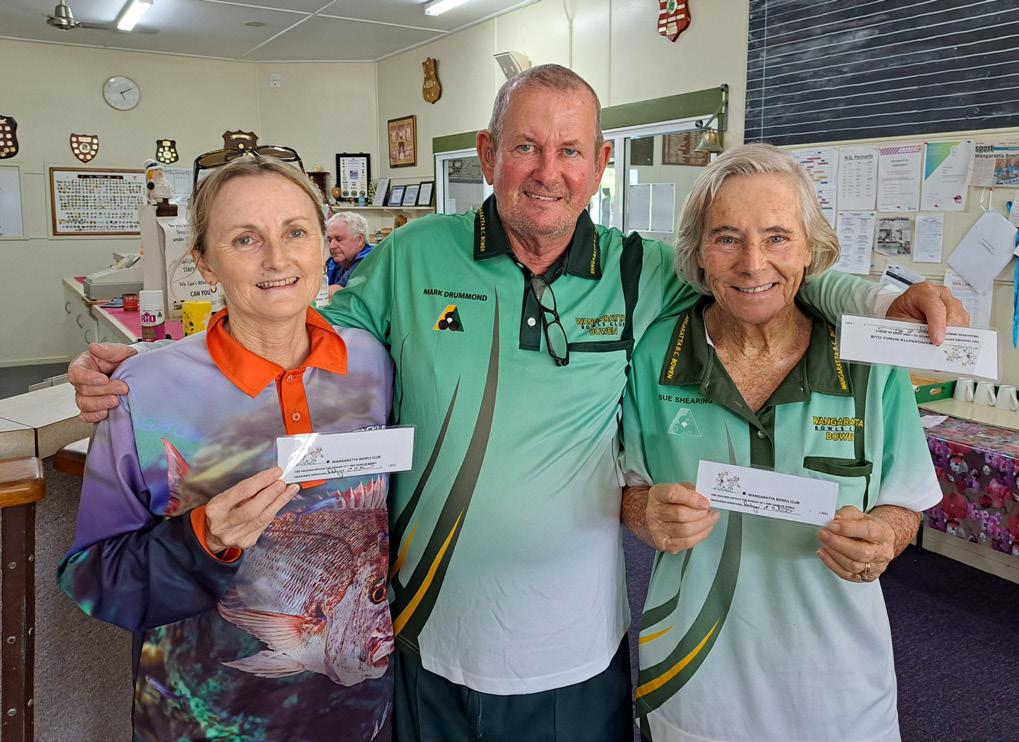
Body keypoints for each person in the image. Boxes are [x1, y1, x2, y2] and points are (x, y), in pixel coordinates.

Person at [69, 66, 965, 741]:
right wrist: (155, 365)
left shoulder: (640, 270)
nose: (548, 171)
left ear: (600, 164)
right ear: (488, 154)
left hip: (576, 647)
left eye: (571, 150)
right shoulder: (414, 256)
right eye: (526, 146)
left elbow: (762, 271)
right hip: (423, 638)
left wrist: (882, 302)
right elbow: (290, 326)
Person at [58, 157, 394, 741]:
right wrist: (201, 542)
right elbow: (92, 579)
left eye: (296, 232)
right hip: (199, 721)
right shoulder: (143, 390)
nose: (277, 259)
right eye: (245, 239)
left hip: (360, 716)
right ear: (204, 262)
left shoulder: (372, 362)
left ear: (323, 245)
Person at [620, 143, 942, 742]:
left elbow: (905, 501)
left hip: (839, 689)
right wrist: (646, 514)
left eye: (777, 237)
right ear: (697, 254)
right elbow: (627, 487)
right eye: (727, 238)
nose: (752, 263)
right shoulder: (650, 356)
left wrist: (885, 538)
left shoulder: (869, 362)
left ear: (810, 250)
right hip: (692, 680)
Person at [326, 211, 374, 295]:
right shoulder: (335, 262)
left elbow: (338, 292)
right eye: (330, 240)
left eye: (339, 239)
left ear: (359, 240)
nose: (331, 246)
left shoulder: (369, 260)